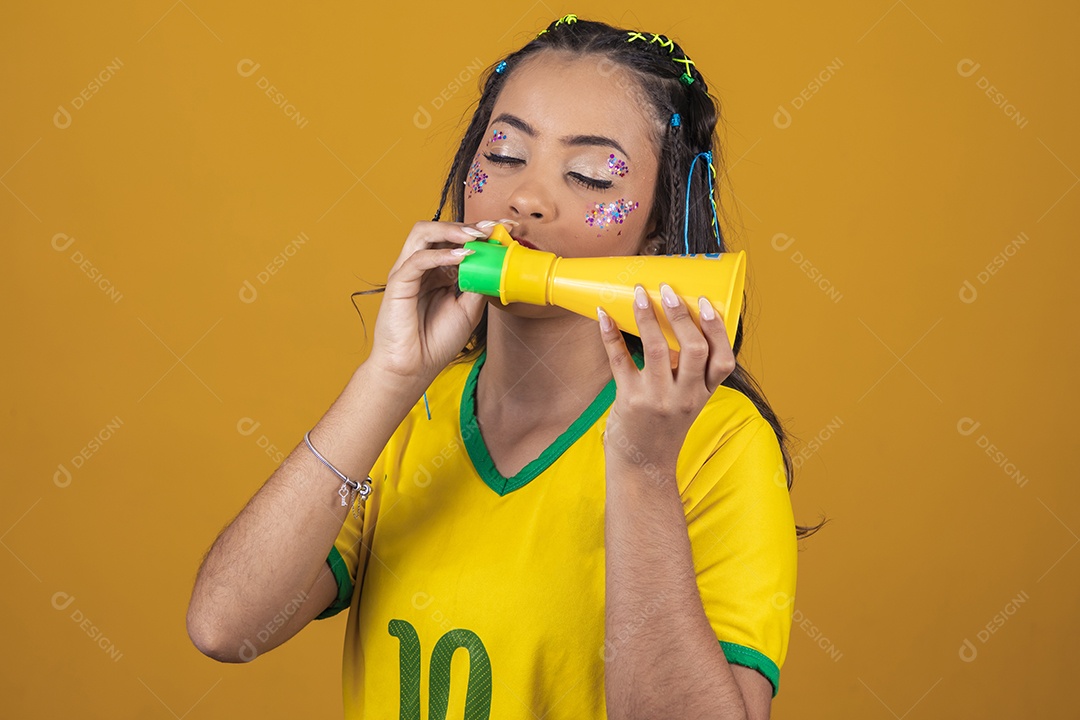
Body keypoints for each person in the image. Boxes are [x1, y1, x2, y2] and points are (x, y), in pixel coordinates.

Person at [187, 14, 824, 720]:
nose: (526, 198)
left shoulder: (718, 445)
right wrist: (389, 378)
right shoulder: (408, 416)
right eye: (506, 153)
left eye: (587, 173)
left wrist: (643, 472)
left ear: (657, 223)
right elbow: (226, 627)